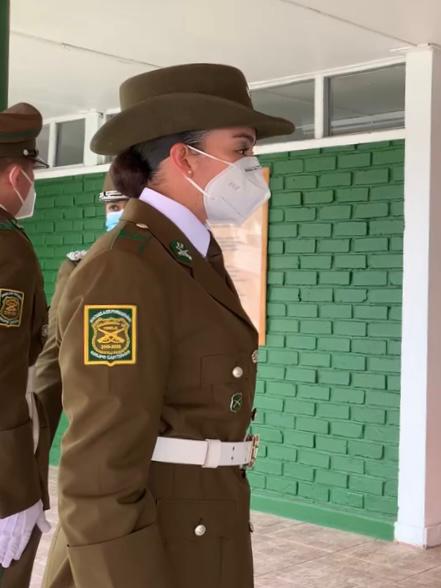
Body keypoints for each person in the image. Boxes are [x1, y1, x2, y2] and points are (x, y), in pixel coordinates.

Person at [42, 63, 293, 588]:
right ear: (185, 158)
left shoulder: (186, 252)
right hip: (155, 539)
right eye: (242, 149)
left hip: (200, 519)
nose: (253, 165)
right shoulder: (125, 266)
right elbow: (98, 468)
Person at [31, 173, 130, 463]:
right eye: (114, 207)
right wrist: (30, 451)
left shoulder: (177, 270)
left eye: (128, 204)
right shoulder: (80, 268)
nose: (120, 213)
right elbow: (52, 358)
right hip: (102, 425)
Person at [0, 103, 52, 588]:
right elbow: (5, 370)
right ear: (18, 173)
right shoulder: (7, 246)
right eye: (32, 173)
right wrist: (13, 491)